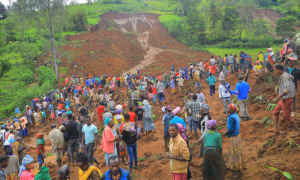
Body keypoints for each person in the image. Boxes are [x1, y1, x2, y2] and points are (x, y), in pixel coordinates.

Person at [273, 64, 300, 138]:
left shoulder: (284, 77)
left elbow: (287, 89)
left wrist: (277, 97)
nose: (275, 71)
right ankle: (275, 129)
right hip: (284, 99)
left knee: (286, 116)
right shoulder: (287, 75)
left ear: (280, 70)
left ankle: (298, 131)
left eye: (276, 70)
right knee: (275, 112)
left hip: (286, 99)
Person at [223, 104, 243, 179]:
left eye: (228, 108)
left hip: (233, 136)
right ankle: (233, 166)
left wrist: (226, 132)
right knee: (236, 151)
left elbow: (231, 129)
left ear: (232, 110)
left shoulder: (231, 117)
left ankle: (238, 170)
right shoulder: (235, 115)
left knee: (235, 152)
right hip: (237, 135)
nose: (226, 109)